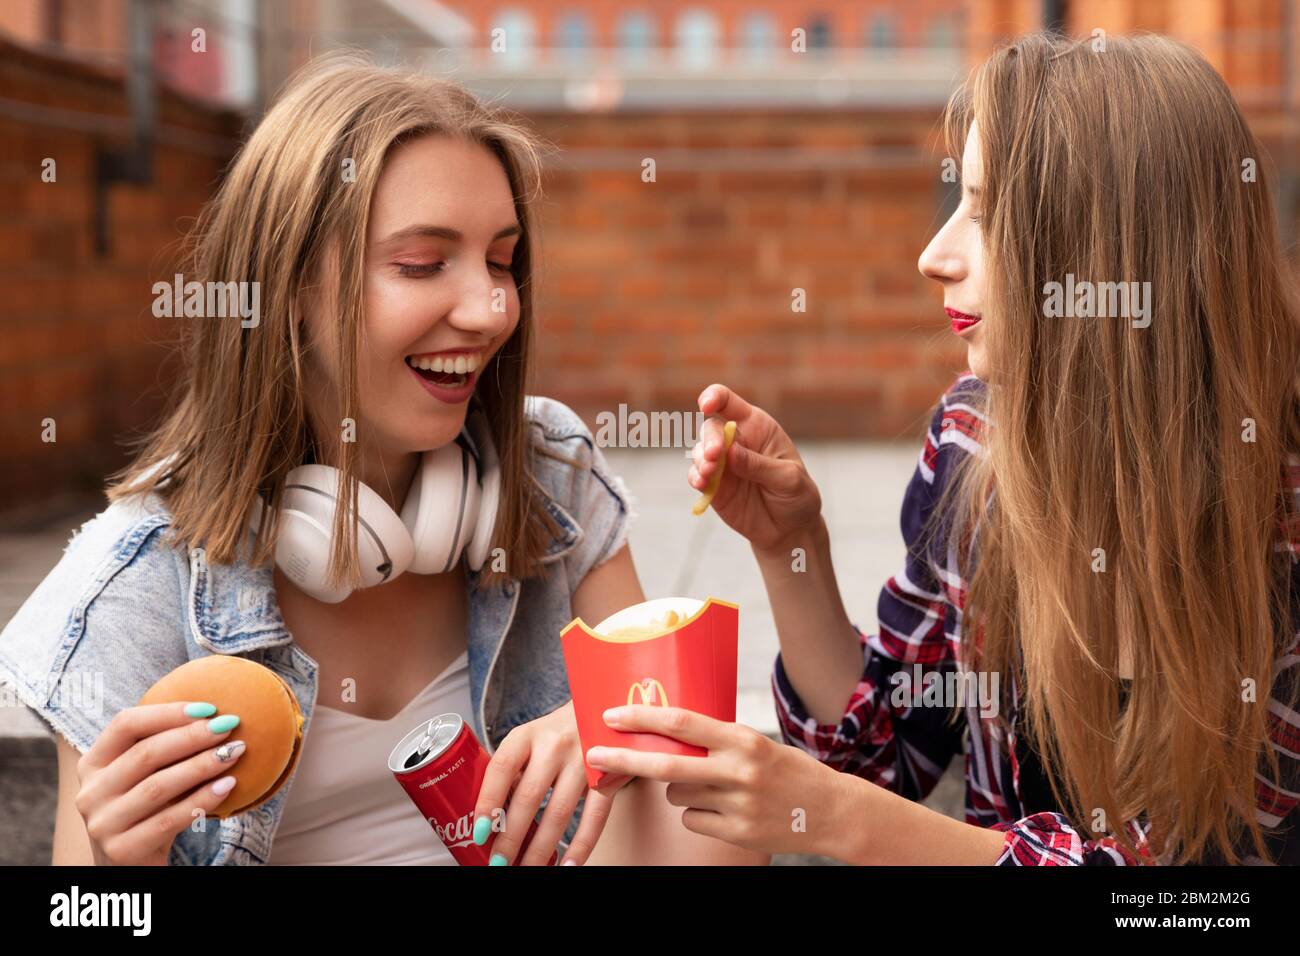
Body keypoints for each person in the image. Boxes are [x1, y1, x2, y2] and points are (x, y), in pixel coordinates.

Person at [0, 54, 761, 867]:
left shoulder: (549, 474)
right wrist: (125, 871)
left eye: (502, 261)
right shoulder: (130, 592)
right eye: (422, 264)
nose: (492, 308)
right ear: (286, 289)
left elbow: (693, 763)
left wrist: (613, 720)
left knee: (702, 804)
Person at [587, 32, 1300, 865]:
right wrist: (793, 549)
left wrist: (831, 816)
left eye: (988, 215)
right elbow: (879, 758)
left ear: (1111, 250)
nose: (934, 255)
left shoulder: (1276, 518)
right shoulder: (975, 439)